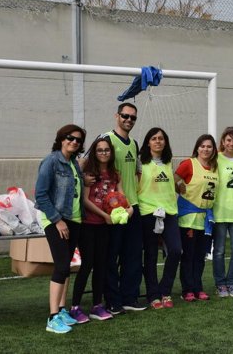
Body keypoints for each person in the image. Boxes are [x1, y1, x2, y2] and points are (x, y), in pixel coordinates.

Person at [70, 137, 131, 323]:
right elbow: (85, 200)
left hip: (105, 227)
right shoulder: (88, 173)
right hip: (89, 225)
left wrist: (128, 208)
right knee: (87, 264)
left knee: (101, 265)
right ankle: (74, 307)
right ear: (94, 153)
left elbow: (121, 196)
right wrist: (104, 215)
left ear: (111, 153)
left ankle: (97, 305)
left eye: (106, 150)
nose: (103, 153)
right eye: (99, 150)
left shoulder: (115, 174)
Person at [35, 124, 86, 334]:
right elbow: (41, 194)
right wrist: (57, 220)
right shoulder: (51, 161)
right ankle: (52, 317)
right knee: (62, 265)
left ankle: (62, 310)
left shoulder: (74, 163)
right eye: (70, 138)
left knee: (66, 267)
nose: (74, 142)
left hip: (73, 219)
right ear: (61, 138)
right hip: (56, 219)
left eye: (78, 140)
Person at [104, 102, 146, 313]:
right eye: (125, 116)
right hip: (114, 210)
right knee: (112, 256)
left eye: (132, 118)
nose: (128, 120)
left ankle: (130, 297)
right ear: (116, 116)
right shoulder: (106, 140)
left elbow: (138, 171)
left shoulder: (134, 143)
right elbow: (87, 164)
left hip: (133, 207)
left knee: (133, 256)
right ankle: (112, 301)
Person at [138, 127, 181, 309]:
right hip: (148, 212)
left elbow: (176, 183)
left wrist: (180, 184)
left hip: (169, 212)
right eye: (154, 138)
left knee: (176, 250)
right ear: (148, 142)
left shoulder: (169, 162)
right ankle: (153, 295)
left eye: (161, 138)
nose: (158, 141)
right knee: (151, 255)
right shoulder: (141, 163)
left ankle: (165, 290)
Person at [175, 134, 219, 302]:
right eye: (202, 146)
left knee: (200, 256)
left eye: (209, 146)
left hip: (205, 220)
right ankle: (187, 290)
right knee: (189, 255)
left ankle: (198, 287)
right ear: (197, 148)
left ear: (213, 149)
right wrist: (179, 189)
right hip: (188, 218)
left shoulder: (215, 167)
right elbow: (173, 180)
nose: (205, 149)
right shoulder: (188, 164)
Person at [212, 127, 233, 298]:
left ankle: (232, 283)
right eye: (228, 140)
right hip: (219, 212)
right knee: (218, 251)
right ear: (223, 141)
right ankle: (220, 284)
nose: (231, 143)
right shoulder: (215, 158)